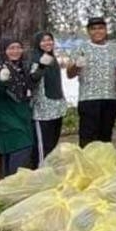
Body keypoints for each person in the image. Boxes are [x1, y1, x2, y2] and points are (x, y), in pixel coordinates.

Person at [67, 16, 116, 145]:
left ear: (106, 30)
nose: (97, 31)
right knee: (88, 138)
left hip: (111, 98)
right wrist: (76, 66)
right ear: (88, 31)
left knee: (106, 137)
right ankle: (86, 165)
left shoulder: (115, 49)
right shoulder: (80, 48)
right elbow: (69, 74)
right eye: (93, 29)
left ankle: (103, 164)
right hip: (88, 99)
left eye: (101, 28)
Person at [0, 38, 34, 176]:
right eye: (11, 48)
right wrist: (2, 82)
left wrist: (42, 68)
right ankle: (11, 184)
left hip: (22, 114)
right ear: (4, 50)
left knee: (13, 152)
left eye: (18, 47)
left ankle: (8, 184)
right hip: (6, 116)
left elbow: (30, 85)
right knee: (21, 148)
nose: (15, 51)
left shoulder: (22, 68)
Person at [28, 32, 67, 167]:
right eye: (43, 41)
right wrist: (41, 66)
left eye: (49, 40)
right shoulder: (35, 59)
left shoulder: (52, 58)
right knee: (41, 147)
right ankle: (39, 173)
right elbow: (32, 81)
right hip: (42, 111)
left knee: (52, 144)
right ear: (38, 43)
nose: (47, 43)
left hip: (56, 108)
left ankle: (48, 174)